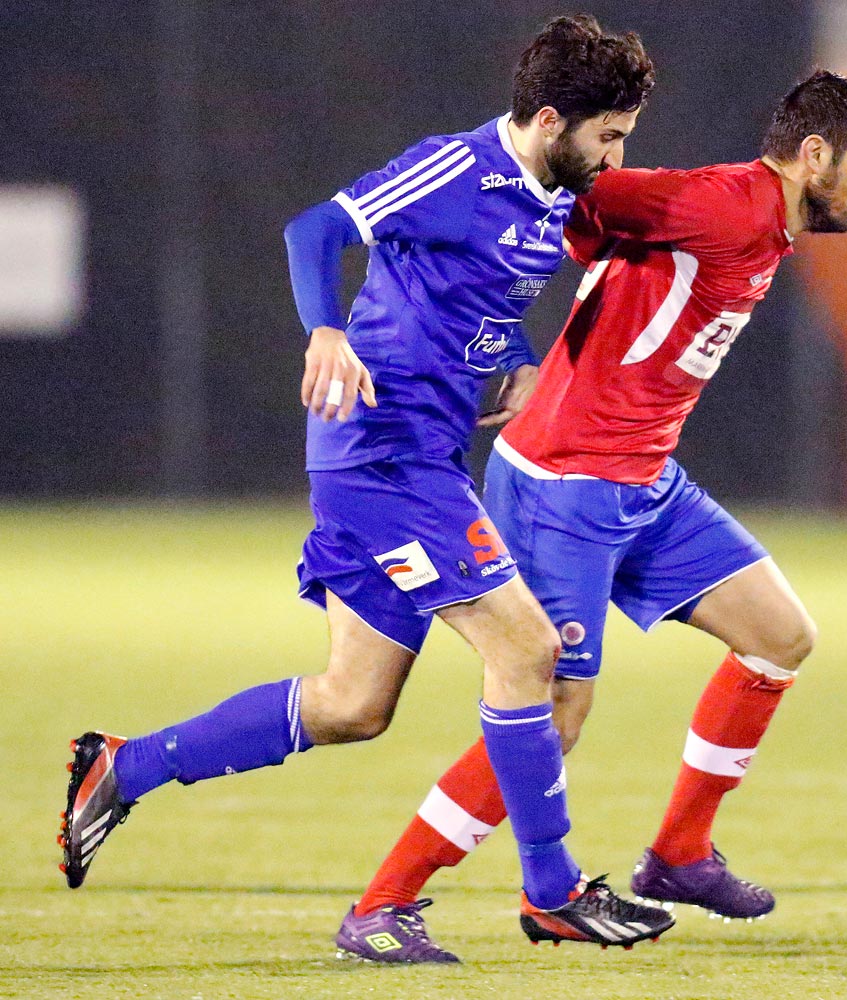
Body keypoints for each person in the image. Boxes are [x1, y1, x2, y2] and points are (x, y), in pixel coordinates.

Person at [60, 14, 677, 954]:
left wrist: (510, 366)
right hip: (381, 457)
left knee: (354, 704)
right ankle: (551, 889)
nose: (617, 153)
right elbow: (315, 229)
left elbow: (476, 307)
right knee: (526, 649)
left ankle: (123, 767)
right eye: (610, 134)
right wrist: (326, 331)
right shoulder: (455, 169)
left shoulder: (553, 196)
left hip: (417, 454)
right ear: (551, 119)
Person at [333, 70, 847, 963]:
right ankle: (381, 904)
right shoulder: (718, 203)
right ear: (813, 154)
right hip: (564, 482)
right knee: (551, 709)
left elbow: (594, 231)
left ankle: (677, 855)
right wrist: (482, 321)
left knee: (779, 637)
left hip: (643, 480)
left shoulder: (768, 229)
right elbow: (568, 186)